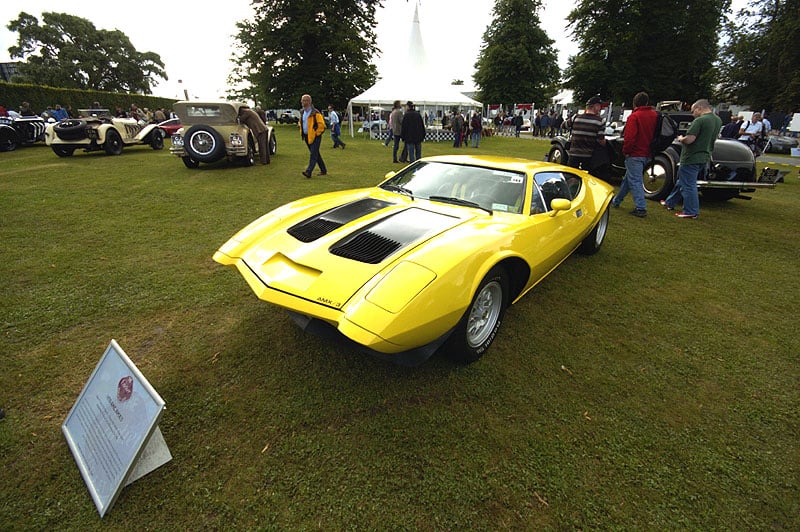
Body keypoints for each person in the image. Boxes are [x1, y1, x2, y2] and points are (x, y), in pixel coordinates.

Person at [661, 99, 722, 219]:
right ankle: (670, 201)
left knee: (689, 184)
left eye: (693, 111)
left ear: (699, 108)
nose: (692, 114)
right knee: (682, 180)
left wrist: (681, 139)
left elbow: (690, 139)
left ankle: (691, 210)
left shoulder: (700, 121)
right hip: (705, 155)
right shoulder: (717, 120)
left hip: (691, 156)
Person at [611, 92, 658, 218]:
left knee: (635, 180)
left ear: (634, 102)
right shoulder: (654, 115)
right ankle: (617, 200)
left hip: (635, 153)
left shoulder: (635, 116)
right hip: (647, 152)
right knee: (629, 178)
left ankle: (641, 207)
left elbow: (630, 137)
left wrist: (626, 151)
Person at [568, 96, 607, 176]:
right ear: (595, 106)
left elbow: (563, 125)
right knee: (586, 177)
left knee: (571, 175)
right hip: (588, 155)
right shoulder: (600, 121)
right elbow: (600, 140)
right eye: (599, 106)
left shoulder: (575, 117)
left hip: (574, 153)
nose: (600, 109)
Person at [299, 94, 327, 177]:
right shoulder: (302, 112)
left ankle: (309, 171)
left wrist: (316, 133)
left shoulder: (315, 113)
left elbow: (322, 125)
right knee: (315, 153)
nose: (302, 102)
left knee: (313, 154)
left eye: (304, 100)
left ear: (308, 101)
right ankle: (323, 170)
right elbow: (302, 122)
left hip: (315, 136)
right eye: (302, 100)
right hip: (307, 136)